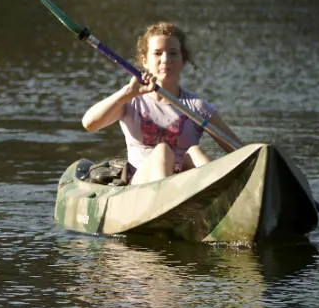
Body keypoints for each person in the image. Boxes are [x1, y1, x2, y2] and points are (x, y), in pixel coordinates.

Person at [80, 21, 240, 185]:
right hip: (141, 185)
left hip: (186, 187)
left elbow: (240, 151)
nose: (165, 59)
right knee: (163, 150)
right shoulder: (132, 100)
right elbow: (89, 124)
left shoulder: (197, 108)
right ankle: (167, 198)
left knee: (195, 152)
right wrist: (128, 92)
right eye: (157, 53)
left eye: (173, 53)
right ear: (144, 61)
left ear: (183, 61)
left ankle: (216, 193)